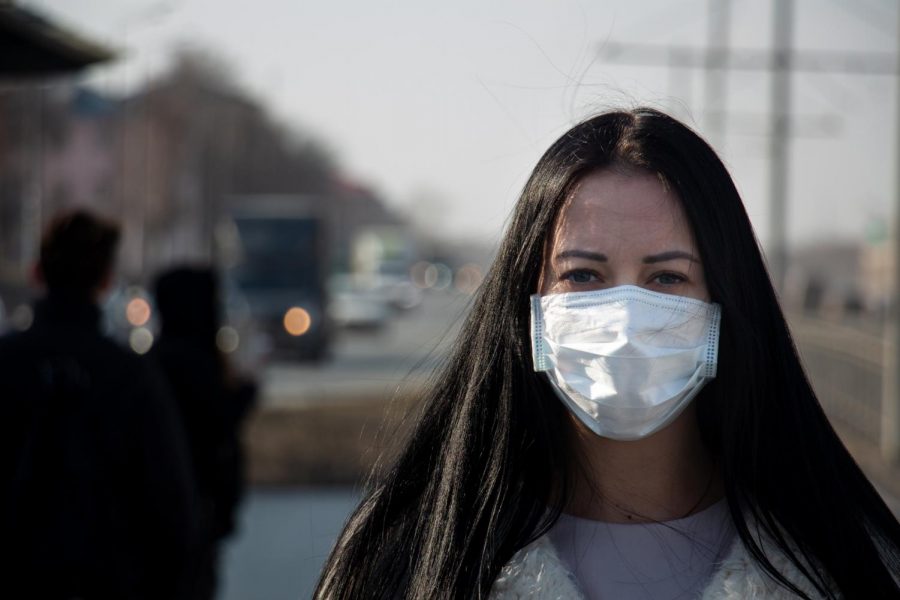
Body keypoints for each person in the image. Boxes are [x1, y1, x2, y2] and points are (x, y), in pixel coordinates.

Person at [315, 108, 900, 599]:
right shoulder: (407, 558)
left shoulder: (844, 566)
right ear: (529, 304)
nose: (623, 320)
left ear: (725, 301)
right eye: (585, 275)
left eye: (668, 278)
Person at [0, 209, 199, 599]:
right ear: (106, 280)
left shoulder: (8, 365)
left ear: (37, 273)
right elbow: (173, 511)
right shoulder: (128, 377)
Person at [151, 265, 258, 600]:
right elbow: (218, 422)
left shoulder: (152, 364)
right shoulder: (199, 363)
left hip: (163, 516)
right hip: (194, 512)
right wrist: (246, 390)